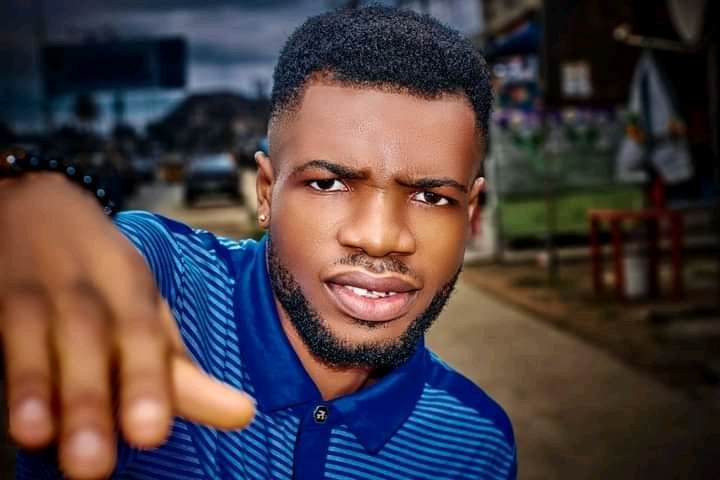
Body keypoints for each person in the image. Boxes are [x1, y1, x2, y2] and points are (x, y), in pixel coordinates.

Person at [1, 6, 516, 479]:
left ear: (471, 214)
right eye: (328, 184)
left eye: (431, 197)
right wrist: (28, 206)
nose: (380, 238)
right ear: (266, 191)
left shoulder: (476, 444)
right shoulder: (170, 289)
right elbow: (94, 260)